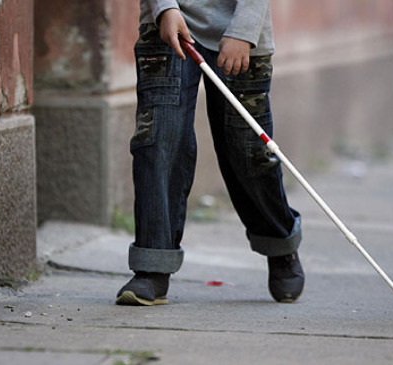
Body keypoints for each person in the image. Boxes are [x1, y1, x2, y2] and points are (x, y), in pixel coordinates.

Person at [116, 0, 304, 306]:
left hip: (242, 30)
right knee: (159, 139)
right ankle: (152, 267)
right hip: (167, 23)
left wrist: (243, 31)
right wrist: (164, 8)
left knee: (248, 152)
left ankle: (279, 243)